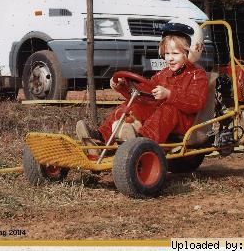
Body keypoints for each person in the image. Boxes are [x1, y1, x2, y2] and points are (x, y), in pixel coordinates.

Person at [76, 18, 209, 158]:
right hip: (159, 119)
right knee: (131, 105)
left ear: (192, 51)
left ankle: (141, 142)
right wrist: (122, 86)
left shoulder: (197, 75)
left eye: (175, 54)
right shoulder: (164, 73)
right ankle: (100, 139)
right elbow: (144, 91)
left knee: (168, 109)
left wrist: (169, 94)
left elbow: (196, 103)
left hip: (184, 122)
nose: (170, 58)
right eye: (167, 54)